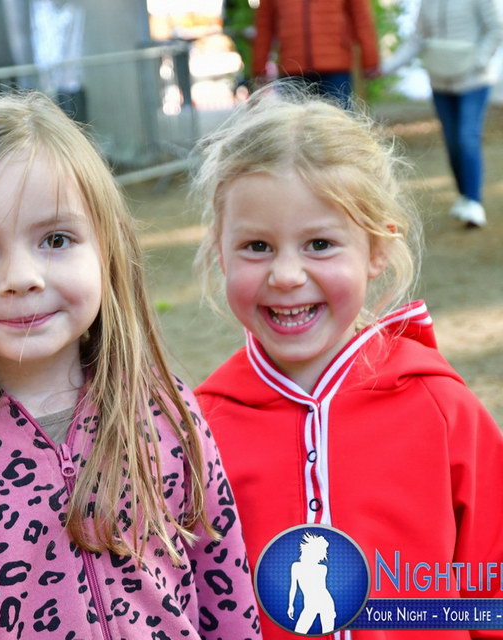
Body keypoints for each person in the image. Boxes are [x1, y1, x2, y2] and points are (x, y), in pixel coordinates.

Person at [0, 89, 261, 640]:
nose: (21, 277)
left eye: (55, 239)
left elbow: (224, 585)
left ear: (106, 247)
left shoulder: (165, 412)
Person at [193, 87, 503, 639]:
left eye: (319, 244)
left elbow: (490, 600)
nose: (287, 275)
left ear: (377, 249)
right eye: (257, 246)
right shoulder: (195, 432)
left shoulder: (443, 409)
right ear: (220, 250)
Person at [381, 0, 503, 228]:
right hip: (440, 82)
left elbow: (497, 28)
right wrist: (385, 67)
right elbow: (417, 39)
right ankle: (464, 195)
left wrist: (479, 60)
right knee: (452, 141)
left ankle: (474, 201)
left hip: (475, 81)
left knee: (467, 137)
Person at [251, 0, 380, 106]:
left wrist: (370, 60)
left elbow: (361, 17)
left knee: (337, 123)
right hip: (293, 69)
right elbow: (264, 24)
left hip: (335, 68)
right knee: (292, 125)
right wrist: (259, 66)